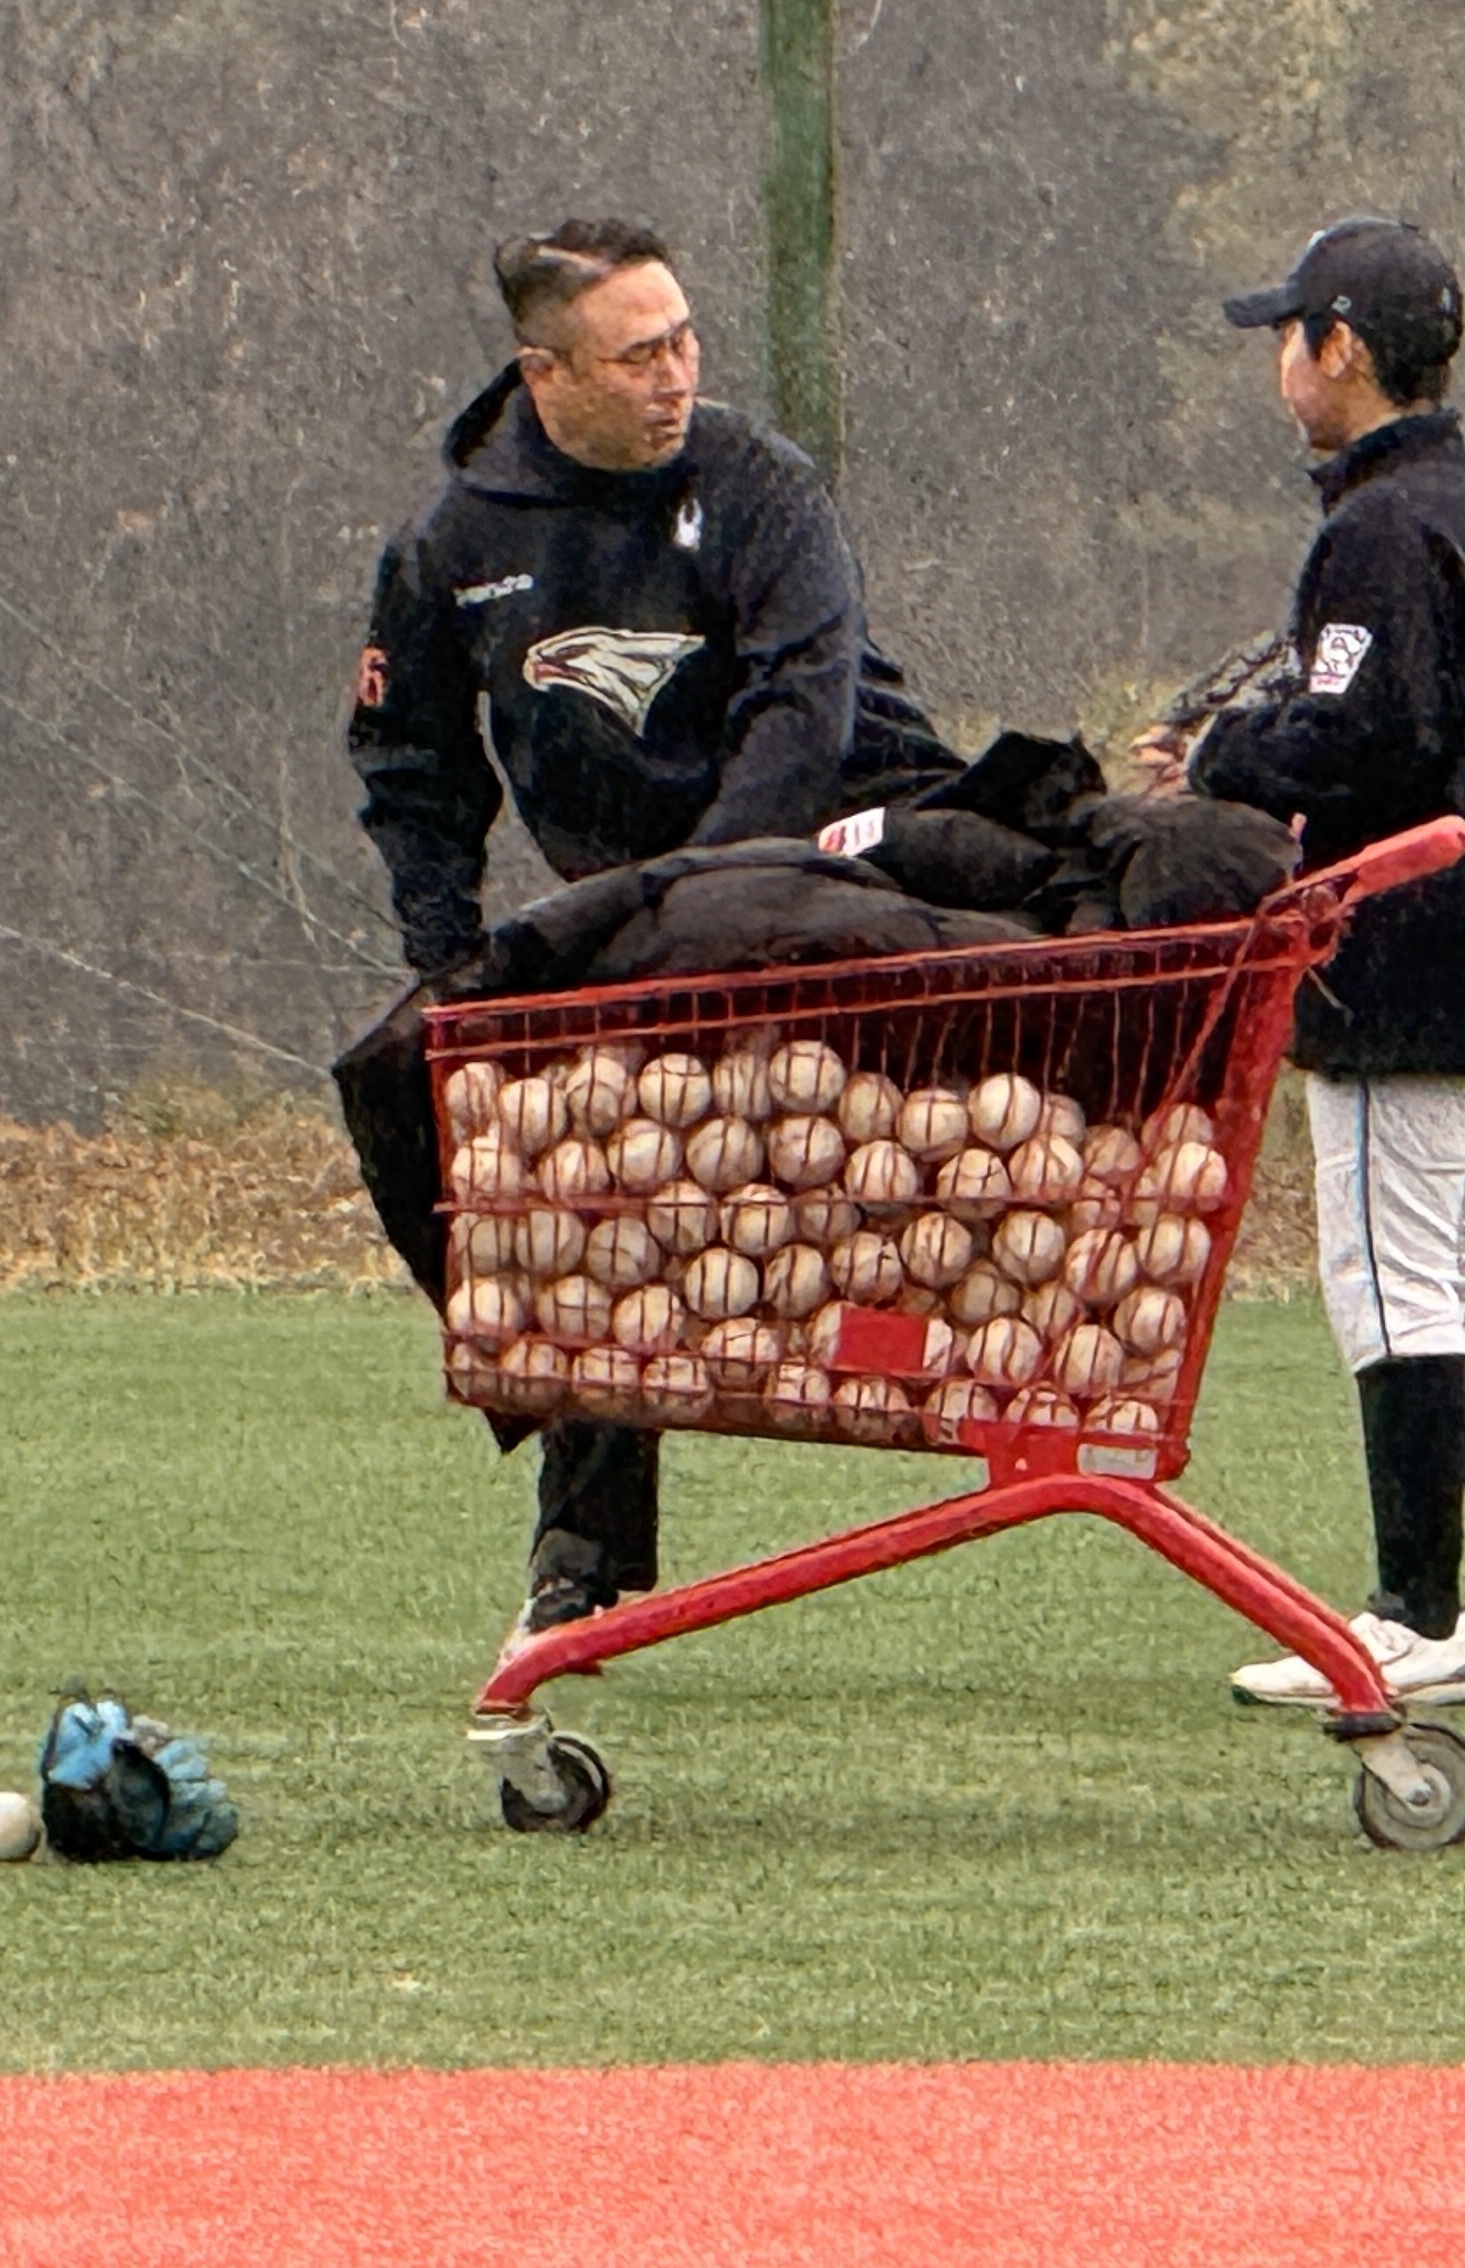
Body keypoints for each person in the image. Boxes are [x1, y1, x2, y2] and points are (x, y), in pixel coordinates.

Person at [351, 216, 917, 1646]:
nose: (678, 375)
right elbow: (413, 770)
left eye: (686, 340)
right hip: (632, 909)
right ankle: (577, 1524)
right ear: (545, 376)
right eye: (639, 353)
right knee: (475, 1117)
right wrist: (449, 950)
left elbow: (803, 719)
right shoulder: (449, 545)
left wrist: (699, 914)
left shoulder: (756, 485)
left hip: (836, 869)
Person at [1151, 217, 1465, 1704]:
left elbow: (1366, 743)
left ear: (1339, 349)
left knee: (1389, 1279)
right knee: (1462, 1269)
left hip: (1404, 958)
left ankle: (1414, 1620)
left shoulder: (1376, 527)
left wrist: (1220, 758)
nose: (1281, 363)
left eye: (1290, 335)